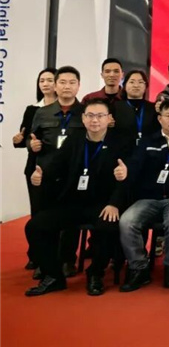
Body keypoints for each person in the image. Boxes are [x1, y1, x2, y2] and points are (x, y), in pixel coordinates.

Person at [24, 99, 132, 296]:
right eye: (90, 115)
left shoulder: (121, 142)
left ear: (109, 119)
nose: (95, 120)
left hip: (103, 204)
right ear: (83, 118)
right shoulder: (74, 139)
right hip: (73, 202)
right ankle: (53, 276)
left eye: (100, 116)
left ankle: (95, 274)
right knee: (35, 226)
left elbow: (126, 179)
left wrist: (114, 203)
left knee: (108, 226)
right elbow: (55, 166)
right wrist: (41, 176)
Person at [119, 99, 169, 291]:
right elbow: (135, 165)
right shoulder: (148, 141)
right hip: (149, 198)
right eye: (168, 116)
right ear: (160, 118)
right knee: (127, 221)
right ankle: (139, 267)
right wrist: (126, 172)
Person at [28, 65, 86, 277]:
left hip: (74, 175)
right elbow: (32, 139)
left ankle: (67, 260)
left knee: (70, 221)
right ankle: (46, 262)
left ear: (78, 86)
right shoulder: (42, 112)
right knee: (44, 220)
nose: (67, 86)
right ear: (55, 85)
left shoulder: (86, 112)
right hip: (47, 174)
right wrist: (31, 145)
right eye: (62, 82)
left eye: (72, 82)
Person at [12, 67, 57, 270]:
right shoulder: (32, 109)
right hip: (35, 166)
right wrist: (20, 141)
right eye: (42, 81)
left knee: (57, 213)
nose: (45, 84)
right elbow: (25, 139)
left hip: (59, 168)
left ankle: (59, 256)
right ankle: (36, 255)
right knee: (37, 213)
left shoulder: (66, 109)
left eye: (50, 80)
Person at [114, 70, 158, 146]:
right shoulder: (115, 107)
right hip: (122, 150)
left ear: (146, 86)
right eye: (132, 82)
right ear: (125, 86)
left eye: (140, 82)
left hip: (149, 150)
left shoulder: (153, 108)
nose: (136, 85)